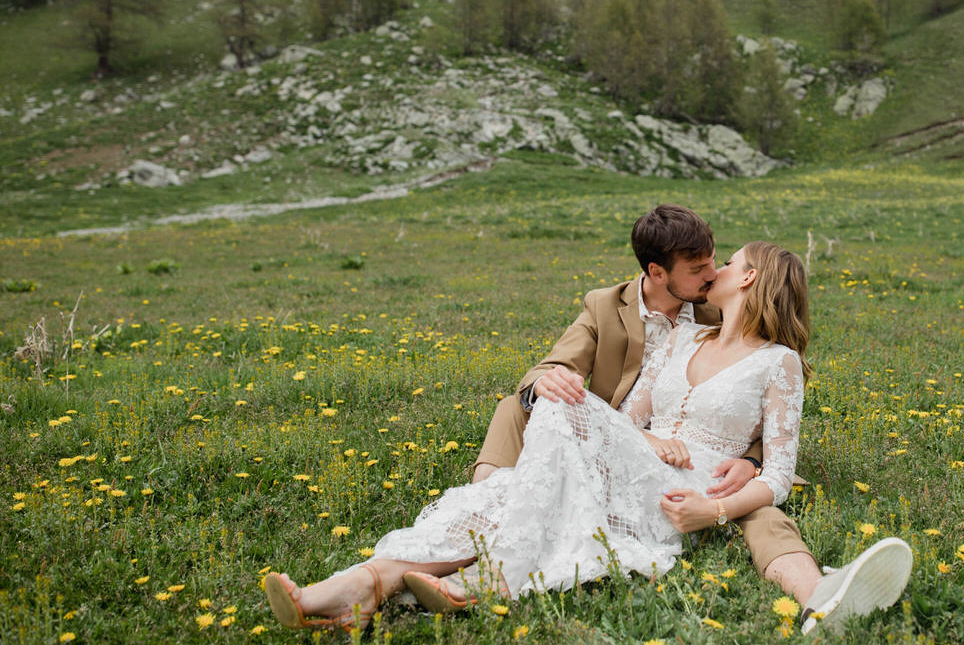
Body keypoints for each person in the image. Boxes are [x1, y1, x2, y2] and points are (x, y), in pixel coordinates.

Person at [264, 221, 912, 635]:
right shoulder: (686, 332)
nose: (713, 269)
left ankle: (461, 577)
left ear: (749, 277)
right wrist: (645, 435)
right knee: (554, 403)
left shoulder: (780, 362)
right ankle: (365, 581)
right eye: (705, 264)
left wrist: (714, 505)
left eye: (727, 261)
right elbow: (631, 416)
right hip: (643, 454)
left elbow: (777, 472)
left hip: (688, 483)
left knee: (560, 413)